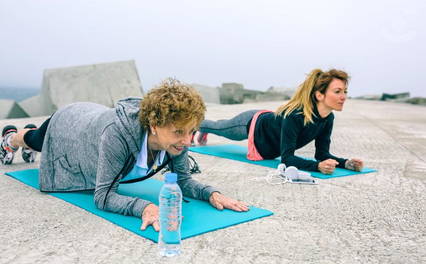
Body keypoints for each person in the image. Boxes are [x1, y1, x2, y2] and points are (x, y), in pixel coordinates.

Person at [0, 78, 249, 231]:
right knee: (35, 141)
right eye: (179, 132)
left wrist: (211, 194)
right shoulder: (117, 135)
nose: (187, 140)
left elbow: (184, 181)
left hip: (93, 122)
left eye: (191, 131)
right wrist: (144, 207)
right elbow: (103, 195)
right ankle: (11, 137)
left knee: (35, 142)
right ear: (154, 125)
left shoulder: (176, 142)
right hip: (70, 126)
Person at [194, 69, 364, 175]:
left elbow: (322, 154)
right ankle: (198, 126)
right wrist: (318, 167)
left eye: (345, 91)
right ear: (320, 95)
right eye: (337, 91)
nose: (343, 97)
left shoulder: (328, 118)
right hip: (252, 123)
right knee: (220, 128)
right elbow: (287, 159)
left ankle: (204, 129)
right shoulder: (295, 116)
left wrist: (346, 163)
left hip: (269, 126)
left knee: (221, 128)